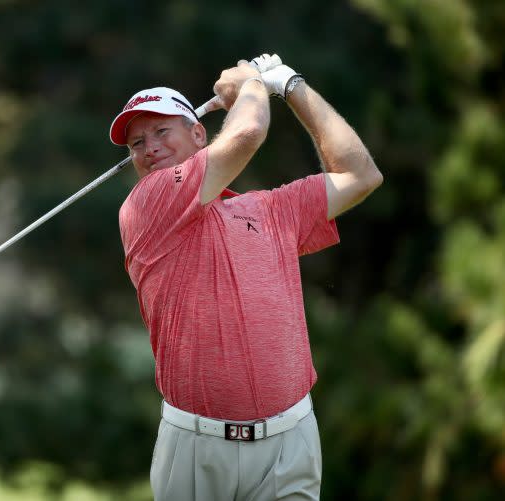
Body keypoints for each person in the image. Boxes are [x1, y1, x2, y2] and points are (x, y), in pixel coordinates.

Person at [110, 54, 383, 501]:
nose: (149, 147)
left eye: (162, 131)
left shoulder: (269, 210)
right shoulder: (146, 204)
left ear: (198, 132)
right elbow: (249, 130)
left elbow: (360, 174)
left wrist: (292, 85)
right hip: (199, 449)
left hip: (289, 441)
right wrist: (254, 83)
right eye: (136, 143)